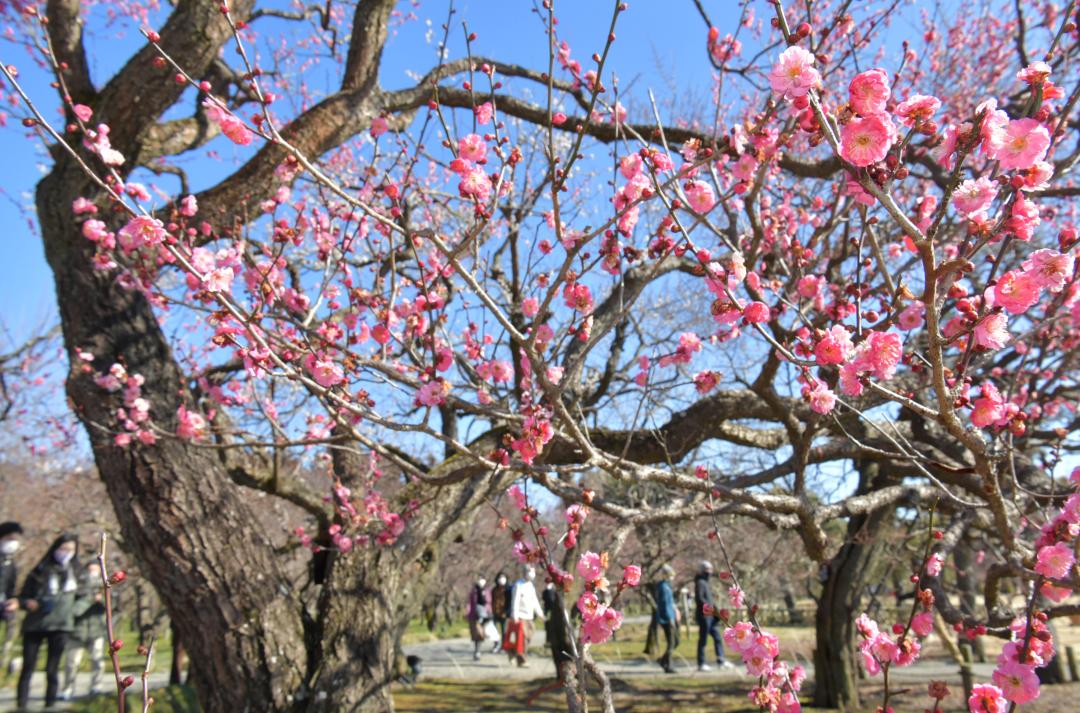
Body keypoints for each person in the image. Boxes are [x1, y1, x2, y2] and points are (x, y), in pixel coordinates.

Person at [17, 533, 86, 709]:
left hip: (62, 625)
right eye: (63, 548)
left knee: (52, 668)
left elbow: (85, 597)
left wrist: (73, 612)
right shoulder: (40, 569)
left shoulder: (77, 572)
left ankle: (50, 704)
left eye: (70, 549)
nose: (66, 552)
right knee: (28, 667)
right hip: (35, 624)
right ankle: (22, 705)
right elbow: (23, 596)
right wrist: (27, 603)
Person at [60, 561, 107, 699]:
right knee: (71, 663)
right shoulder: (77, 587)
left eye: (96, 570)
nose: (93, 573)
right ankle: (67, 688)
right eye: (90, 569)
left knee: (98, 661)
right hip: (77, 632)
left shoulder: (105, 586)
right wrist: (90, 599)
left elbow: (113, 606)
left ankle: (96, 686)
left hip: (96, 631)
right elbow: (74, 610)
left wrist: (101, 599)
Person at [694, 560, 733, 671]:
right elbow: (700, 599)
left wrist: (716, 611)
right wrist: (709, 608)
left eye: (711, 569)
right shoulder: (700, 583)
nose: (710, 572)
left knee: (717, 638)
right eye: (707, 570)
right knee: (703, 639)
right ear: (702, 571)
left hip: (711, 617)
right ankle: (701, 664)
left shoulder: (706, 583)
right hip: (704, 616)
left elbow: (710, 600)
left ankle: (721, 661)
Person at [502, 565, 544, 667]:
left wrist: (540, 613)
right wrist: (514, 615)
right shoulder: (518, 585)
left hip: (529, 616)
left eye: (533, 571)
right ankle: (522, 660)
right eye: (530, 571)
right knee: (523, 638)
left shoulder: (531, 586)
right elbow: (515, 600)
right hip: (520, 616)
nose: (532, 573)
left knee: (529, 635)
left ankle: (512, 652)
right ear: (525, 572)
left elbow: (535, 601)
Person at [1, 521, 23, 674]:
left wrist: (13, 600)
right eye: (9, 538)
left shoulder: (11, 563)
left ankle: (5, 660)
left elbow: (11, 588)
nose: (13, 543)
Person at [655, 564, 678, 673]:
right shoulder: (663, 587)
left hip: (670, 616)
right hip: (666, 618)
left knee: (675, 641)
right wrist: (670, 618)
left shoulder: (667, 586)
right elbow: (665, 604)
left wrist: (675, 611)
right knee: (671, 642)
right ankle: (668, 665)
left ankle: (662, 660)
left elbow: (671, 602)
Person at [465, 574, 490, 660]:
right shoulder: (473, 591)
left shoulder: (487, 591)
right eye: (479, 579)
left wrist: (488, 612)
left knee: (482, 634)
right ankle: (477, 651)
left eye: (482, 579)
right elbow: (469, 603)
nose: (480, 581)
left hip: (485, 616)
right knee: (477, 633)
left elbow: (489, 602)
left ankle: (479, 650)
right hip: (475, 615)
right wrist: (468, 612)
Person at [489, 571, 510, 653]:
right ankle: (496, 644)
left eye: (503, 577)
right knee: (494, 631)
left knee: (504, 631)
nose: (501, 579)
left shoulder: (508, 589)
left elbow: (509, 602)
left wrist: (506, 612)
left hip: (504, 613)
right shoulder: (494, 590)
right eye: (500, 577)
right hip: (495, 612)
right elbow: (491, 600)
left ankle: (504, 646)